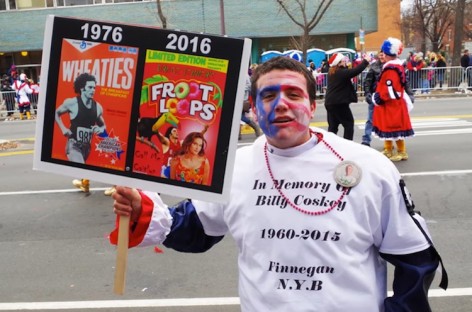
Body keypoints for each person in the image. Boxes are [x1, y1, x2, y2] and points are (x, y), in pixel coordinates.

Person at [110, 56, 446, 311]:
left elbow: (415, 259)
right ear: (254, 110)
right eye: (268, 95)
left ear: (312, 105)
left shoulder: (370, 167)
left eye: (293, 93)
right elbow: (194, 229)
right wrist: (143, 209)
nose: (281, 103)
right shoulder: (234, 168)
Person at [372, 37, 414, 162]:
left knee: (396, 128)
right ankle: (388, 149)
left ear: (388, 53)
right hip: (392, 103)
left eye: (384, 52)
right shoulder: (394, 66)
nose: (382, 55)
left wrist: (380, 97)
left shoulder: (391, 68)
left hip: (392, 104)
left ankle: (401, 151)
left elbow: (390, 88)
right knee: (388, 127)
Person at [55, 72, 107, 164]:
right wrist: (63, 128)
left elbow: (103, 126)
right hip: (74, 145)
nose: (93, 90)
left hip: (87, 148)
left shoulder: (98, 107)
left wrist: (100, 129)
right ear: (82, 88)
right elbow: (56, 113)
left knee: (81, 175)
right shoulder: (72, 103)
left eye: (94, 88)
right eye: (90, 87)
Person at [324, 52, 371, 140]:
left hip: (330, 103)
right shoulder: (340, 73)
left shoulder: (333, 72)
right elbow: (355, 71)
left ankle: (329, 145)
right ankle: (347, 145)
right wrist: (366, 61)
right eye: (343, 60)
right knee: (349, 124)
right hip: (339, 103)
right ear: (339, 63)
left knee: (333, 127)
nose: (345, 61)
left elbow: (348, 71)